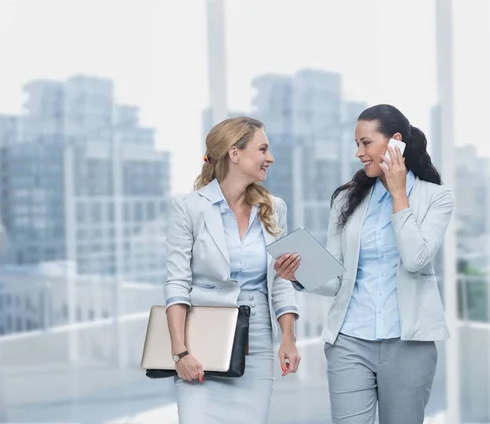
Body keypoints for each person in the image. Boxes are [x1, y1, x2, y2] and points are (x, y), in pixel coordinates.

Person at [275, 104, 454, 424]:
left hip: (408, 345)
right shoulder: (347, 199)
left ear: (395, 141)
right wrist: (297, 274)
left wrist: (399, 194)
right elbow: (336, 278)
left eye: (366, 143)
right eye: (357, 144)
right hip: (349, 342)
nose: (358, 153)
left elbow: (416, 260)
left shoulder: (435, 198)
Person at [164, 116, 301, 423]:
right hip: (201, 342)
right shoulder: (189, 208)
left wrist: (288, 337)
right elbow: (176, 283)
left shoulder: (274, 207)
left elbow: (280, 281)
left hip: (258, 341)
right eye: (263, 149)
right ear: (234, 153)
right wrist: (180, 353)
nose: (271, 158)